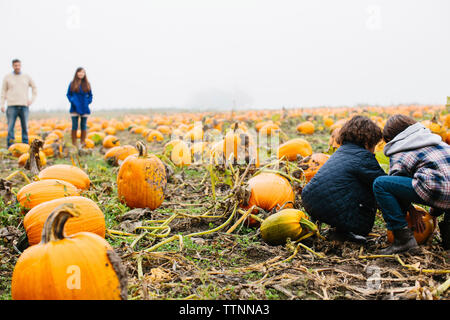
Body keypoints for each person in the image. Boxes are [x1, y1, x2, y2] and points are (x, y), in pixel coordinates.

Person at [301, 115, 386, 243]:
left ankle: (328, 230)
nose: (374, 150)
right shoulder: (364, 157)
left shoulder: (340, 152)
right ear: (368, 142)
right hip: (332, 209)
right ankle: (343, 233)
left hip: (310, 202)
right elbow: (384, 184)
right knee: (373, 187)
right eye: (374, 145)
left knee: (347, 184)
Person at [373, 115, 450, 254]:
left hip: (438, 191)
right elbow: (444, 179)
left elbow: (397, 189)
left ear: (391, 139)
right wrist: (434, 213)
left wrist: (410, 210)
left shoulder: (400, 150)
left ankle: (403, 240)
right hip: (445, 194)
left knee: (380, 184)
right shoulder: (438, 143)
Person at [1, 59, 37, 148]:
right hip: (11, 106)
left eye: (18, 65)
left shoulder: (26, 77)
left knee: (25, 127)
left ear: (21, 66)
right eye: (15, 65)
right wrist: (2, 104)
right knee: (10, 128)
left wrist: (31, 100)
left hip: (24, 106)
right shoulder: (7, 77)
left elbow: (34, 88)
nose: (17, 67)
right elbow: (3, 91)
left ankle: (25, 146)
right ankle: (10, 147)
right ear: (13, 66)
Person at [66, 67, 92, 147]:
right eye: (79, 72)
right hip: (74, 107)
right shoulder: (72, 83)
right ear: (76, 73)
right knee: (74, 125)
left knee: (83, 125)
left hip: (84, 107)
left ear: (84, 74)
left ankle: (82, 142)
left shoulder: (87, 84)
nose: (81, 74)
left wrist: (88, 101)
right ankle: (74, 143)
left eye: (83, 72)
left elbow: (90, 95)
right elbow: (68, 94)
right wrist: (72, 100)